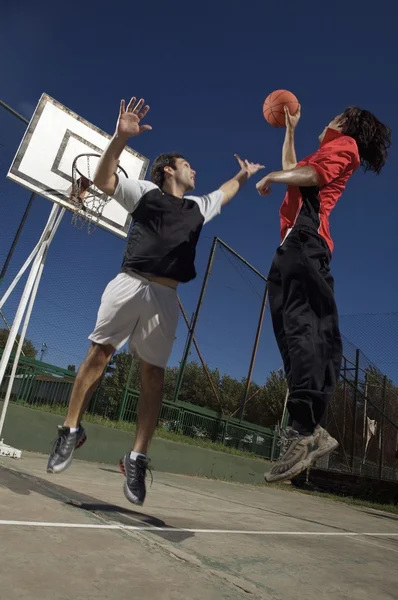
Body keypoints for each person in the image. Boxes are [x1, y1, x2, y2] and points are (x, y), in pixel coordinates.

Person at [47, 95, 264, 505]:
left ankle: (136, 456)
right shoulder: (144, 191)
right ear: (169, 169)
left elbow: (225, 193)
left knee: (154, 376)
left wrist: (243, 175)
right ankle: (70, 430)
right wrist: (119, 138)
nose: (194, 170)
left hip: (166, 296)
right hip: (129, 283)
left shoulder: (198, 207)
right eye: (188, 165)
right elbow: (105, 179)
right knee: (98, 355)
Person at [256, 105, 391, 483]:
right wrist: (290, 130)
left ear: (344, 123)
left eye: (333, 115)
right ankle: (307, 428)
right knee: (290, 336)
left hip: (307, 243)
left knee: (305, 329)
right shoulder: (324, 151)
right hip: (290, 246)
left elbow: (310, 175)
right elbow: (299, 167)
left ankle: (304, 429)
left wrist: (274, 176)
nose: (327, 120)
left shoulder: (344, 144)